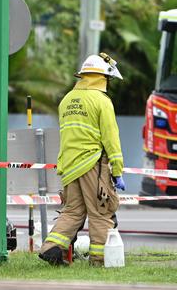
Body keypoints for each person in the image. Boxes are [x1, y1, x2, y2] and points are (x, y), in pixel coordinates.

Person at [39, 53, 125, 266]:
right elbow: (111, 138)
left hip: (69, 165)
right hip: (91, 163)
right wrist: (117, 170)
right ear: (101, 77)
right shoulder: (102, 101)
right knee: (101, 212)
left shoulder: (67, 99)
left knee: (73, 211)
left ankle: (51, 247)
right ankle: (100, 259)